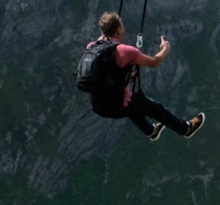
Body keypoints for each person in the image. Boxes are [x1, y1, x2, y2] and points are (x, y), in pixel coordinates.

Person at [85, 11, 206, 140]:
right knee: (156, 109)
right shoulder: (125, 51)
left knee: (133, 100)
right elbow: (154, 62)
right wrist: (165, 49)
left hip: (97, 104)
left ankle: (150, 131)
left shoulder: (92, 47)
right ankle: (185, 129)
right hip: (116, 105)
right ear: (119, 29)